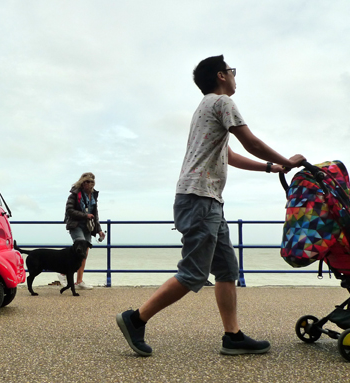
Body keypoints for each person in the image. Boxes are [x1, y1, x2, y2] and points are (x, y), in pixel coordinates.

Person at [115, 55, 305, 357]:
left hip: (207, 199)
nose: (234, 76)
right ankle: (135, 318)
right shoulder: (221, 102)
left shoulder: (204, 108)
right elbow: (249, 141)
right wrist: (288, 161)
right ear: (220, 75)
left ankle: (233, 336)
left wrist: (271, 168)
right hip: (199, 199)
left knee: (227, 269)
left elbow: (228, 155)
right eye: (231, 71)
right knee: (193, 273)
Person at [60, 172, 105, 290]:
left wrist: (99, 230)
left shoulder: (93, 196)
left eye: (92, 183)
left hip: (88, 227)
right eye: (88, 183)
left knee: (84, 254)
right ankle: (63, 273)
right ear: (83, 183)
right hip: (75, 225)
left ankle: (79, 281)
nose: (90, 186)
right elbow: (69, 210)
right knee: (78, 251)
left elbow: (95, 214)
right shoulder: (74, 195)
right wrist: (85, 215)